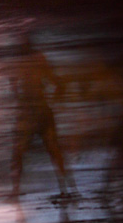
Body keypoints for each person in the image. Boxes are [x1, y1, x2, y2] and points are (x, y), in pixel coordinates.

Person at [9, 36, 74, 199]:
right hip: (42, 108)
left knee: (18, 152)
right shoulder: (39, 59)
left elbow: (14, 86)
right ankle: (66, 187)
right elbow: (58, 83)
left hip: (28, 112)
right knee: (53, 150)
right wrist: (55, 100)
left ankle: (15, 190)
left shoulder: (19, 63)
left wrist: (19, 99)